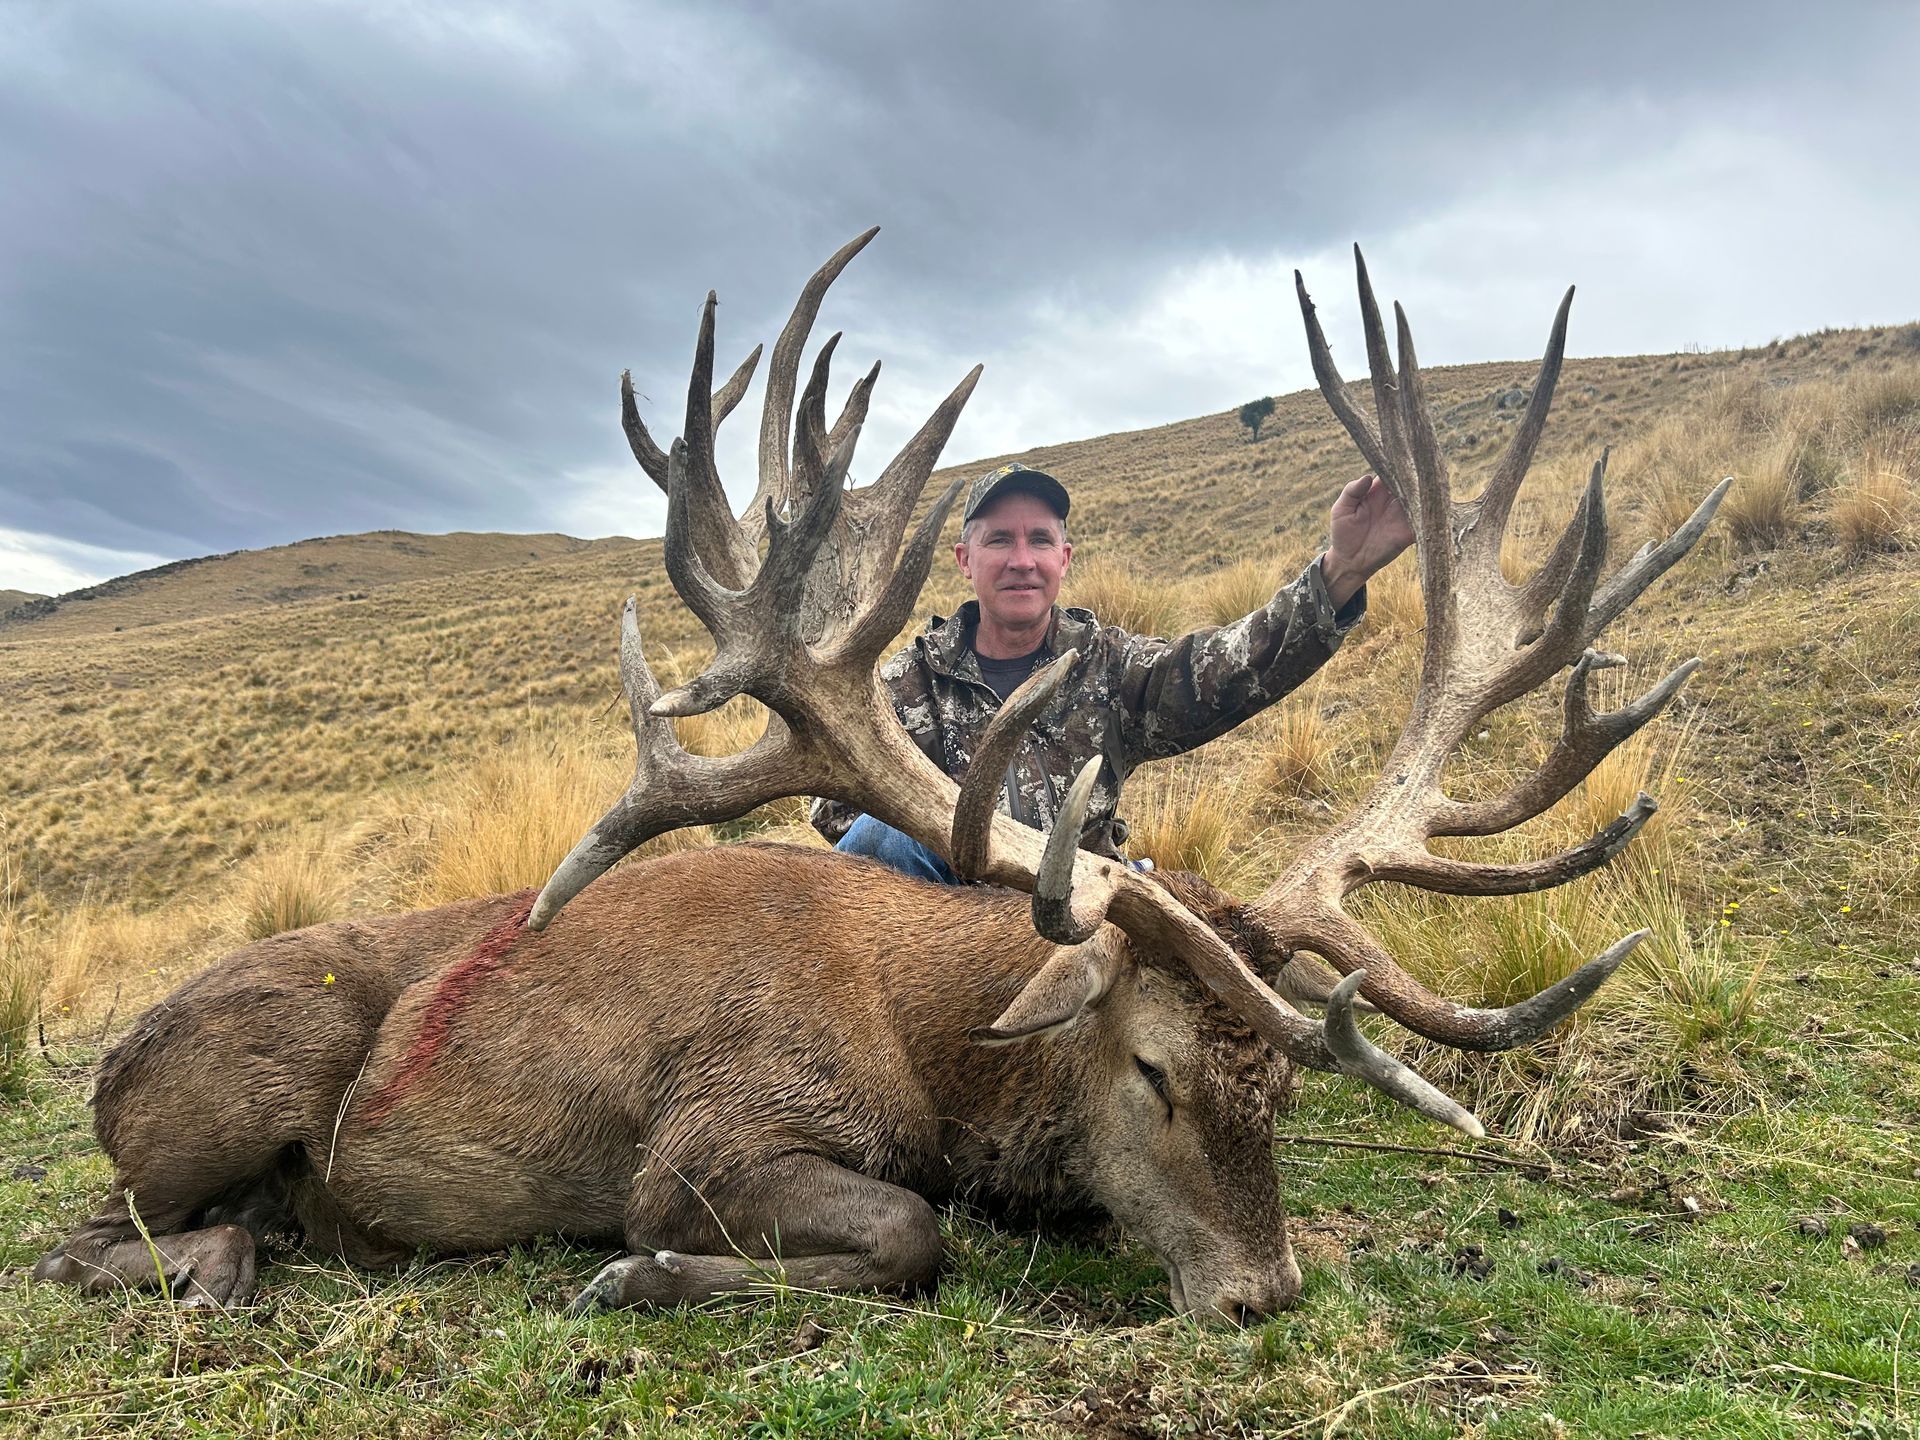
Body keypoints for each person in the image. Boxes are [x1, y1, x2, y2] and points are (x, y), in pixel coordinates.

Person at [810, 461, 1412, 880]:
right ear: (965, 560)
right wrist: (946, 835)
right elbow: (833, 808)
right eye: (999, 541)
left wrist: (1340, 573)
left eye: (1039, 540)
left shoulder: (1108, 666)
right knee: (881, 841)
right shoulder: (903, 683)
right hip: (947, 937)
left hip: (1083, 922)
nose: (1022, 561)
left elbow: (1225, 670)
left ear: (1063, 560)